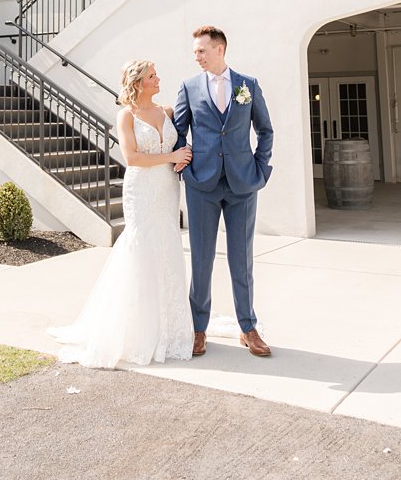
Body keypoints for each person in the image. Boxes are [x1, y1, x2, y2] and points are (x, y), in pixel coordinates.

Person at [50, 60, 195, 368]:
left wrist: (186, 157)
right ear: (139, 83)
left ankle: (170, 328)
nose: (159, 79)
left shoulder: (168, 112)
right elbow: (132, 158)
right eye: (153, 76)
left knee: (168, 248)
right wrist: (172, 155)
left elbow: (184, 142)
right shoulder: (126, 116)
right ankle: (137, 329)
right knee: (141, 249)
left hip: (167, 188)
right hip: (141, 189)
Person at [173, 24, 275, 358]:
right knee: (201, 260)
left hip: (243, 184)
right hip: (201, 184)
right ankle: (198, 328)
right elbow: (178, 134)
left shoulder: (248, 85)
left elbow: (265, 130)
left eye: (201, 50)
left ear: (220, 49)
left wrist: (260, 168)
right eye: (194, 52)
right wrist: (187, 167)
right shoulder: (188, 87)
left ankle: (248, 328)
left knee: (241, 260)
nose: (197, 57)